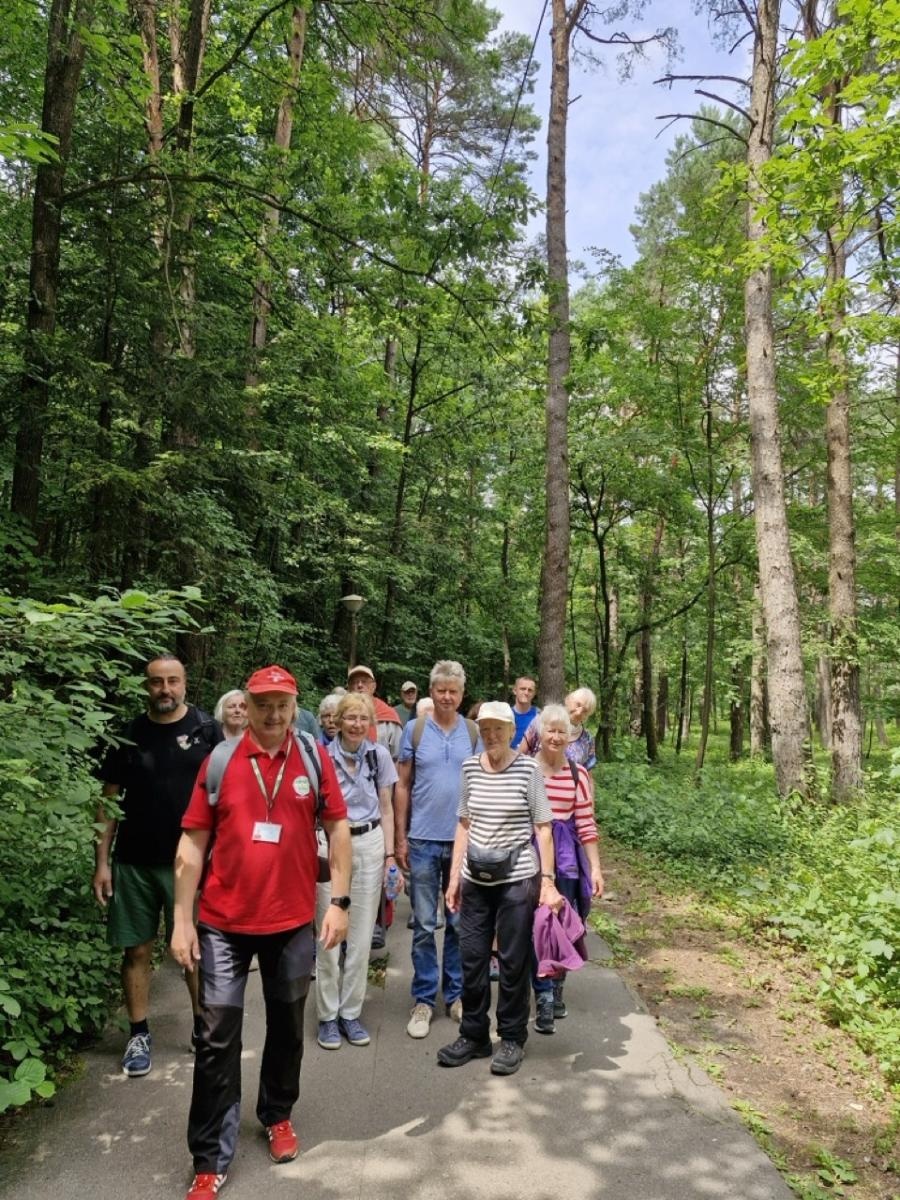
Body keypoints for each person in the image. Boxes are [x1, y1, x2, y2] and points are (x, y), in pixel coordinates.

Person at [170, 665, 351, 1200]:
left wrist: (339, 902)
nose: (273, 714)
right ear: (246, 706)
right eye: (262, 703)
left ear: (296, 707)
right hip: (222, 925)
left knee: (288, 1025)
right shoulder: (221, 760)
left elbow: (338, 828)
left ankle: (277, 1113)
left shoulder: (315, 760)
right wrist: (182, 922)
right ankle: (209, 1157)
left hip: (292, 920)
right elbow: (191, 845)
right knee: (216, 1037)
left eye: (282, 704)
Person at [93, 654, 222, 1077]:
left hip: (193, 865)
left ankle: (203, 1029)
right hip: (134, 862)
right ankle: (138, 1032)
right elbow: (108, 803)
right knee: (137, 950)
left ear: (185, 684)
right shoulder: (129, 736)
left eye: (172, 681)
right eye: (156, 683)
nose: (165, 690)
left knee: (194, 953)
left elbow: (227, 799)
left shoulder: (208, 732)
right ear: (146, 687)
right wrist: (101, 863)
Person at [437, 702, 562, 1077]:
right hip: (476, 878)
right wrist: (455, 876)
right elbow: (464, 823)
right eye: (485, 729)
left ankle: (511, 1037)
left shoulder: (528, 770)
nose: (491, 736)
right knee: (472, 957)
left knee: (512, 960)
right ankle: (474, 1035)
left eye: (498, 729)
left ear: (512, 731)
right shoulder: (470, 768)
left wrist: (548, 882)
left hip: (517, 880)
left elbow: (543, 828)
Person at [394, 660, 481, 1039]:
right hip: (423, 840)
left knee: (461, 925)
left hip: (465, 843)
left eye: (454, 691)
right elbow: (401, 786)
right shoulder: (413, 731)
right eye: (441, 690)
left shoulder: (474, 733)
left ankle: (457, 995)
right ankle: (424, 1000)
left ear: (462, 695)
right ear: (432, 692)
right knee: (426, 926)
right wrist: (399, 838)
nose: (447, 697)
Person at [316, 692, 399, 1049]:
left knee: (363, 934)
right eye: (350, 717)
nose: (356, 724)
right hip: (330, 843)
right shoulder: (321, 758)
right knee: (329, 933)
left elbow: (387, 807)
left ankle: (350, 1013)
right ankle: (326, 1016)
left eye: (363, 719)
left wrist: (391, 856)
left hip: (369, 842)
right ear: (336, 719)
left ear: (371, 723)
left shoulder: (378, 756)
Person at [530, 704, 604, 1034]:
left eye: (563, 731)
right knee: (537, 927)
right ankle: (543, 995)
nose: (556, 737)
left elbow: (587, 825)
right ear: (539, 734)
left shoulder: (579, 775)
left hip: (567, 861)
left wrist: (597, 869)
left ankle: (556, 987)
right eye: (551, 730)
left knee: (565, 924)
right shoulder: (524, 770)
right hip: (530, 860)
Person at [520, 687, 597, 770]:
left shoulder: (587, 740)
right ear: (568, 699)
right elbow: (520, 755)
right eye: (578, 705)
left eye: (585, 711)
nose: (579, 712)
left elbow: (587, 776)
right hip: (535, 780)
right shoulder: (541, 720)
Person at [346, 665, 403, 758]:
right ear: (349, 688)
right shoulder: (340, 715)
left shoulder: (388, 717)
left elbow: (399, 756)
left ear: (373, 686)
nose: (360, 685)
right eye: (355, 682)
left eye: (364, 681)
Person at [510, 676, 540, 749]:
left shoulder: (539, 715)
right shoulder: (506, 714)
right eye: (522, 689)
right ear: (514, 690)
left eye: (530, 690)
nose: (526, 692)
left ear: (534, 693)